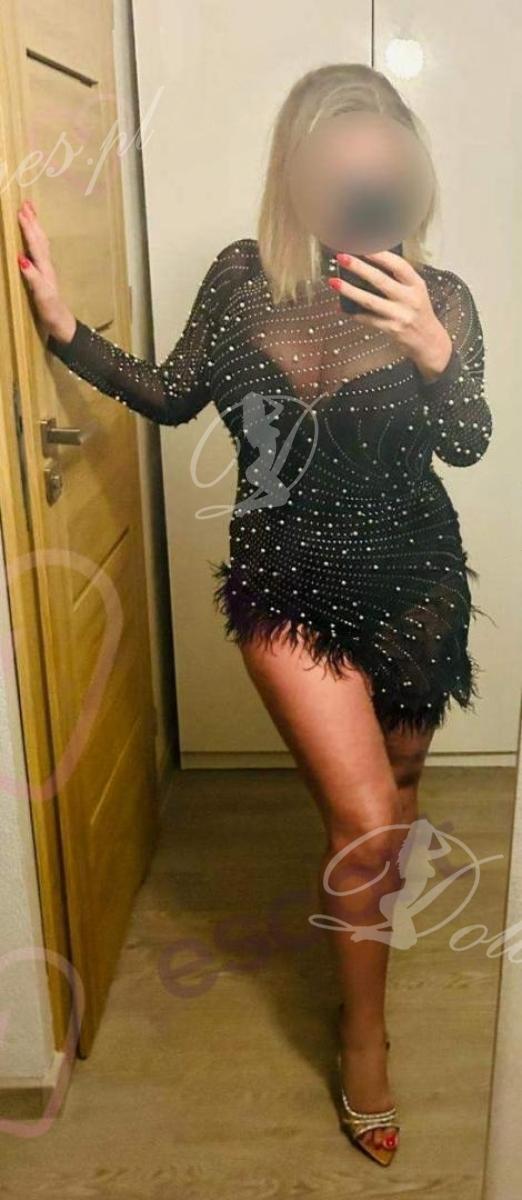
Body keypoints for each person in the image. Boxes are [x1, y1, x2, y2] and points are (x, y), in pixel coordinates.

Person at [16, 61, 493, 1168]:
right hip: (284, 584)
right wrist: (62, 327)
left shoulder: (442, 296)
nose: (360, 195)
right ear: (298, 177)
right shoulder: (239, 281)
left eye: (381, 176)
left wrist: (433, 351)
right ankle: (364, 1039)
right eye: (339, 173)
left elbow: (469, 443)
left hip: (415, 583)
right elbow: (173, 392)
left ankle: (368, 919)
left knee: (395, 798)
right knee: (366, 821)